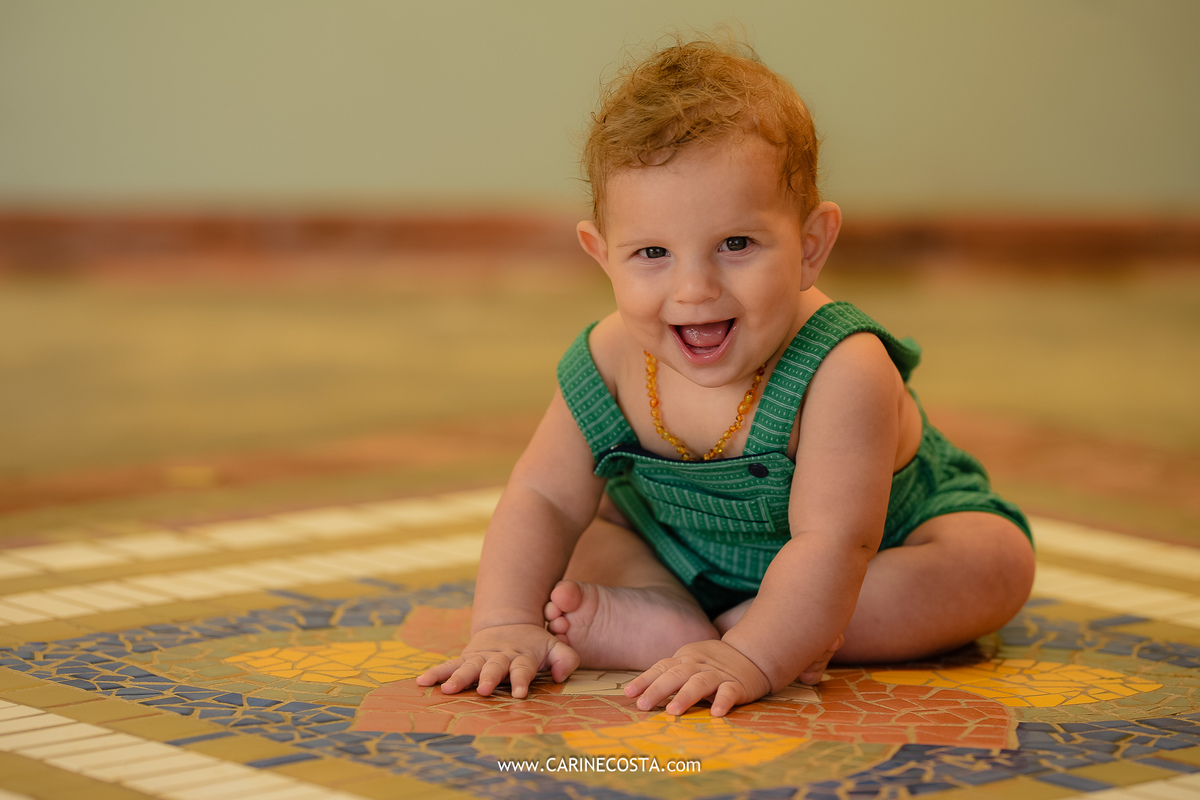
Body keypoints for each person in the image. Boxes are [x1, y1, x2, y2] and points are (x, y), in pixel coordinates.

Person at [418, 36, 1035, 717]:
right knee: (584, 534)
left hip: (869, 556)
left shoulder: (842, 366)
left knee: (992, 562)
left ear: (810, 247)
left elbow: (836, 542)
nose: (694, 289)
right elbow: (543, 498)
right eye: (652, 252)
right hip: (672, 549)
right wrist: (504, 622)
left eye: (736, 244)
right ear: (603, 255)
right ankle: (667, 614)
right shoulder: (609, 358)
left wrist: (755, 656)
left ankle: (763, 630)